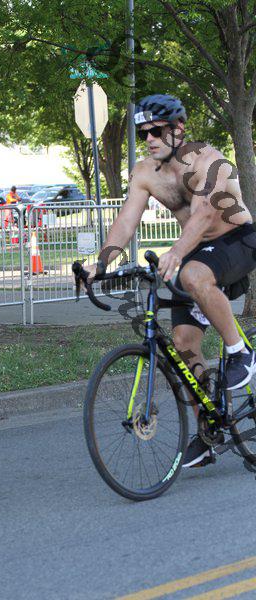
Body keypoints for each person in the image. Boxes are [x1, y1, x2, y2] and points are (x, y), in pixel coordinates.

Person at [83, 94, 256, 468]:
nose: (149, 139)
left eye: (157, 131)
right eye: (143, 133)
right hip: (196, 250)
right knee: (183, 343)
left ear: (179, 129)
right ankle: (208, 432)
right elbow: (126, 221)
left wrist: (176, 252)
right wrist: (100, 262)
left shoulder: (208, 160)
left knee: (190, 272)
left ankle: (241, 353)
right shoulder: (145, 173)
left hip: (238, 240)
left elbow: (205, 213)